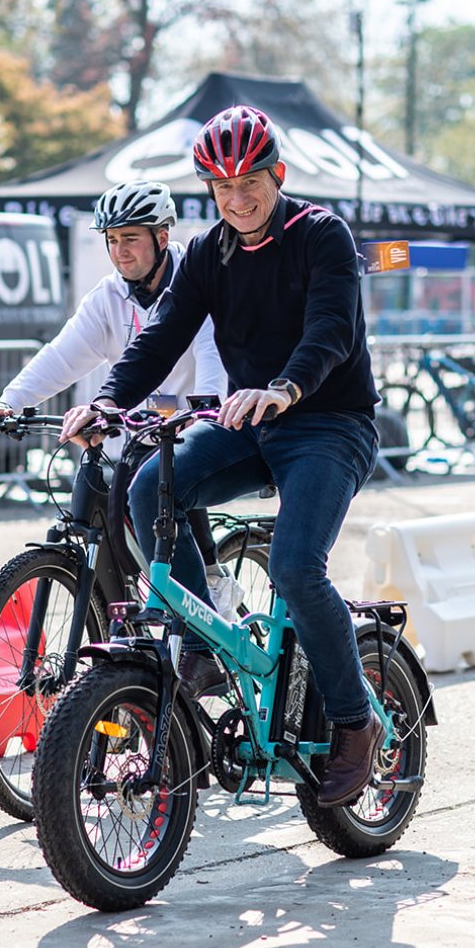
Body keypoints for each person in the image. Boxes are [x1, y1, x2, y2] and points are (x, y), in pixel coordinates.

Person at [60, 104, 383, 809]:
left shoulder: (321, 235)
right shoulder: (209, 252)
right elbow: (162, 335)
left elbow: (331, 330)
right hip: (254, 425)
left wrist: (284, 386)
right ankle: (204, 642)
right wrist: (109, 399)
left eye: (250, 184)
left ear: (278, 175)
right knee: (149, 491)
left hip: (328, 423)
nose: (238, 200)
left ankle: (355, 724)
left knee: (298, 567)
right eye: (223, 188)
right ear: (209, 190)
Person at [0, 180, 240, 615]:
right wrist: (10, 402)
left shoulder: (195, 286)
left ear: (162, 237)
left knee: (164, 489)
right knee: (112, 501)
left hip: (190, 426)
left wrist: (204, 410)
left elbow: (213, 365)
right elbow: (62, 355)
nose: (120, 251)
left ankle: (210, 591)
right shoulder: (108, 296)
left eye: (131, 238)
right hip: (129, 430)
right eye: (112, 240)